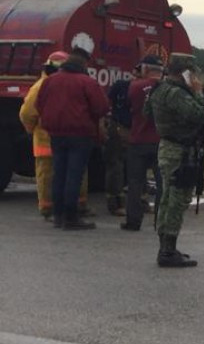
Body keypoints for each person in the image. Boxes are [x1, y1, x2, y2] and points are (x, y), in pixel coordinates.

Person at [145, 53, 204, 267]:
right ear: (185, 72)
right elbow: (202, 116)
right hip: (180, 152)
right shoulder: (176, 94)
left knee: (167, 199)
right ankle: (167, 251)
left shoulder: (159, 89)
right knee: (177, 200)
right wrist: (199, 93)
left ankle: (166, 247)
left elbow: (147, 113)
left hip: (168, 148)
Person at [34, 41, 109, 230]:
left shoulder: (49, 81)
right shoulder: (87, 82)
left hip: (56, 134)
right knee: (74, 175)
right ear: (84, 63)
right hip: (80, 134)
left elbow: (39, 105)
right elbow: (101, 107)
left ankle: (58, 215)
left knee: (59, 173)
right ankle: (71, 217)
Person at [19, 51, 88, 220]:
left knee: (50, 175)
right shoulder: (50, 85)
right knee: (69, 173)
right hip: (59, 138)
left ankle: (57, 208)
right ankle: (62, 208)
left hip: (46, 139)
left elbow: (27, 114)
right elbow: (27, 113)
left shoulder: (42, 86)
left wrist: (31, 129)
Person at [121, 55, 165, 232]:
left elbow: (128, 108)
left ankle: (133, 221)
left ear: (144, 69)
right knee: (163, 184)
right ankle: (160, 222)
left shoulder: (135, 86)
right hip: (161, 142)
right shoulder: (167, 88)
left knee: (135, 183)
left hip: (138, 140)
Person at [104, 70, 134, 216]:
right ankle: (115, 203)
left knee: (128, 166)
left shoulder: (122, 86)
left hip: (128, 128)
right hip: (120, 127)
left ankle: (135, 202)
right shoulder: (122, 86)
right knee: (116, 165)